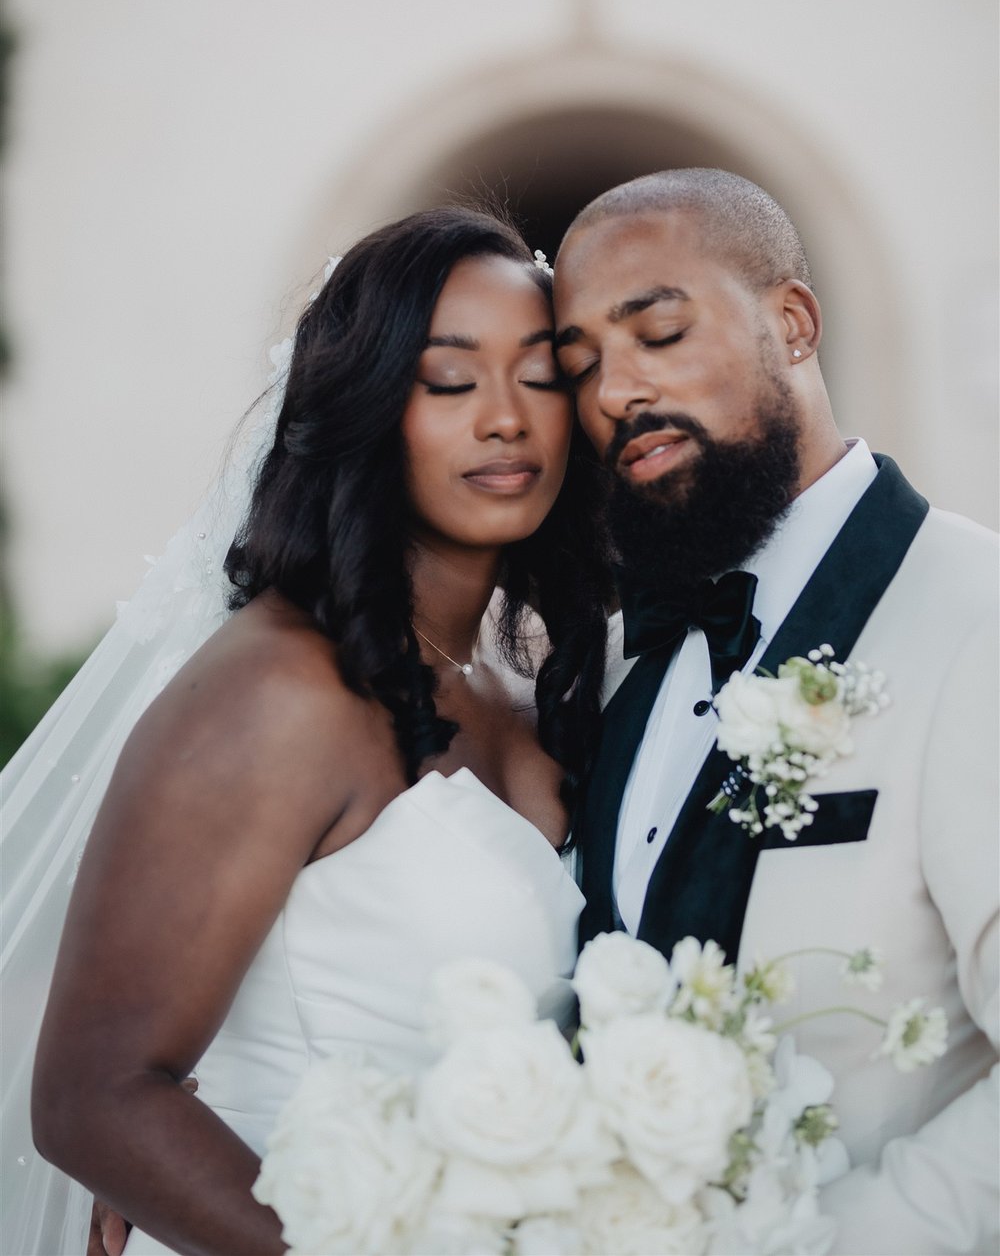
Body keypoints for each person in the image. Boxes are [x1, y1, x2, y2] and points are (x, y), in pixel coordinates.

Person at [13, 207, 612, 1256]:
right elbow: (92, 1097)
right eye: (450, 380)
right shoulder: (276, 689)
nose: (507, 419)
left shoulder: (532, 680)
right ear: (374, 406)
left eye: (541, 375)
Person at [552, 167, 999, 1255]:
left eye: (657, 332)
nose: (615, 392)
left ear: (792, 324)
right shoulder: (610, 661)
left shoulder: (976, 616)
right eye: (580, 367)